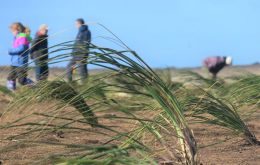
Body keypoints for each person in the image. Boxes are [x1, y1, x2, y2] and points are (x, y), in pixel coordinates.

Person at [7, 22, 31, 90]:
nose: (12, 32)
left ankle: (33, 85)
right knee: (11, 78)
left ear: (18, 30)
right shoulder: (16, 37)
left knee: (22, 80)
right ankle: (11, 92)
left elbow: (21, 48)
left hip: (21, 63)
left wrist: (11, 51)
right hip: (14, 62)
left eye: (13, 31)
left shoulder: (22, 37)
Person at [67, 18, 91, 83]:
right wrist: (72, 54)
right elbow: (76, 44)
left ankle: (85, 85)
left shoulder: (86, 32)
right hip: (75, 55)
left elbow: (85, 45)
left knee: (82, 71)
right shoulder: (80, 31)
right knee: (69, 67)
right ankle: (70, 83)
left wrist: (82, 56)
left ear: (79, 24)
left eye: (76, 24)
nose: (75, 25)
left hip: (81, 55)